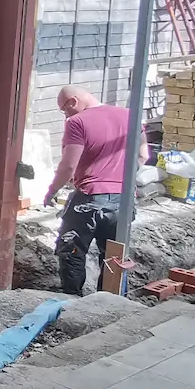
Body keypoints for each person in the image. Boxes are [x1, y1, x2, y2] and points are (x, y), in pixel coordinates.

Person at [43, 86, 135, 296]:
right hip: (124, 200)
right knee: (115, 254)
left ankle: (71, 299)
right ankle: (111, 301)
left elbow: (68, 166)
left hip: (90, 198)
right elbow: (141, 155)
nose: (65, 115)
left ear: (73, 102)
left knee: (72, 250)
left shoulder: (77, 122)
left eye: (64, 109)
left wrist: (52, 191)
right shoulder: (130, 115)